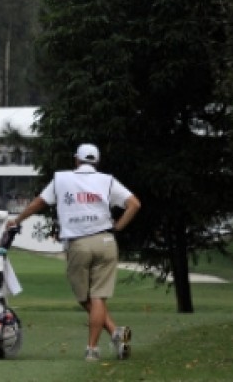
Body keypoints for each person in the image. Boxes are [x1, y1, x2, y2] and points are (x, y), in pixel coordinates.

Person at [9, 143, 141, 362]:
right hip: (106, 241)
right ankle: (113, 336)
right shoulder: (107, 180)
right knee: (98, 297)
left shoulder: (62, 179)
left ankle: (95, 348)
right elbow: (134, 204)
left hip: (79, 243)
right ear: (96, 162)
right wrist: (118, 227)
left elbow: (38, 204)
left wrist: (17, 220)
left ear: (76, 160)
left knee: (84, 297)